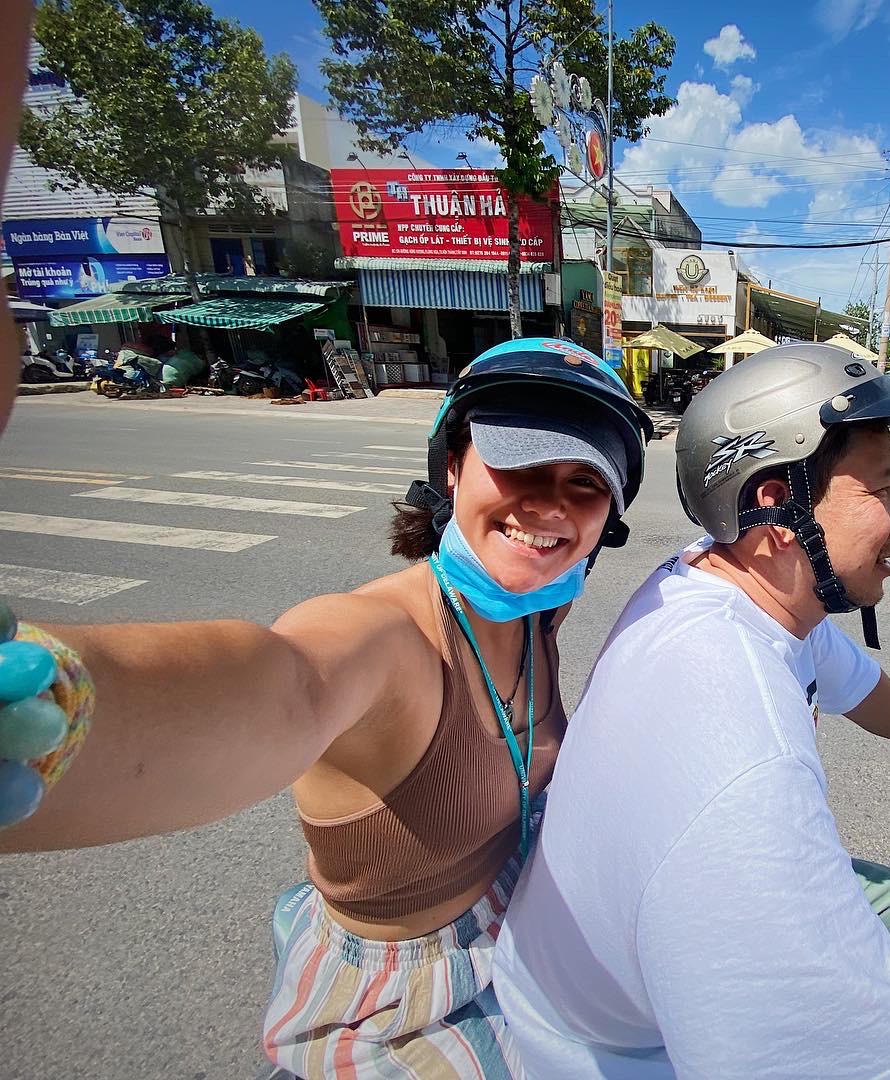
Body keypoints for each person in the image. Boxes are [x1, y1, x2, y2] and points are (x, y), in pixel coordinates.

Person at [0, 336, 653, 1077]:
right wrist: (58, 703)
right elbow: (287, 684)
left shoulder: (535, 612)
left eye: (584, 485)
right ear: (452, 466)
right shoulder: (389, 636)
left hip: (518, 939)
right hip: (399, 1010)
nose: (547, 504)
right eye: (518, 463)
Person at [494, 343, 890, 1079]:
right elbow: (872, 1053)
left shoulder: (719, 582)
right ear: (777, 504)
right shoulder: (741, 758)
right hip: (611, 1055)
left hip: (581, 972)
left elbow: (852, 678)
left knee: (883, 899)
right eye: (880, 491)